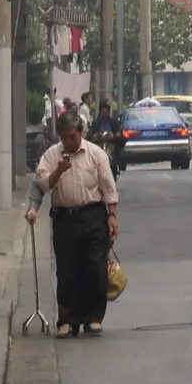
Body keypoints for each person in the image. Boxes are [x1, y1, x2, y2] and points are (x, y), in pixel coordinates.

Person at [29, 103, 119, 337]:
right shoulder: (52, 155)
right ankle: (68, 320)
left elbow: (108, 187)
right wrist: (59, 171)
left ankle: (93, 317)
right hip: (65, 219)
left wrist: (112, 216)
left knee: (95, 268)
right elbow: (42, 184)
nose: (68, 142)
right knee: (67, 270)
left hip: (93, 216)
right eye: (64, 138)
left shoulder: (96, 154)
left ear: (81, 132)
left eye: (72, 136)